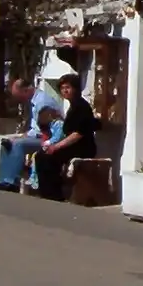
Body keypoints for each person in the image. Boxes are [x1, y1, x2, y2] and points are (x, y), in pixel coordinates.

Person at [34, 70, 98, 203]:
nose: (65, 91)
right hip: (71, 145)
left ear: (75, 89)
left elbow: (78, 134)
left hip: (82, 147)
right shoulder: (73, 106)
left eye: (68, 88)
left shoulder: (81, 107)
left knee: (49, 157)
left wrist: (56, 146)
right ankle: (46, 192)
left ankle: (53, 195)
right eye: (62, 88)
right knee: (41, 155)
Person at [0, 74, 62, 191]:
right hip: (39, 135)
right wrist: (26, 134)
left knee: (19, 144)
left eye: (20, 97)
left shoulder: (43, 102)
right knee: (7, 143)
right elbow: (36, 127)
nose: (21, 100)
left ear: (26, 90)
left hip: (50, 139)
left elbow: (45, 128)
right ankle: (2, 180)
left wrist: (26, 136)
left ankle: (11, 181)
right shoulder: (34, 101)